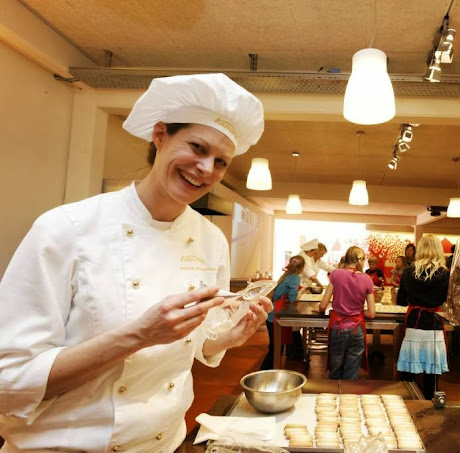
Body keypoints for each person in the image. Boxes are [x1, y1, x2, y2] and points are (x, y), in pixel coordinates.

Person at [0, 73, 273, 452]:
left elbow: (192, 345)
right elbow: (9, 380)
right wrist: (138, 335)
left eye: (221, 162)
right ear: (160, 135)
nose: (206, 169)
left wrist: (225, 338)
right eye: (197, 147)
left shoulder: (211, 240)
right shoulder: (66, 229)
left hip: (164, 443)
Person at [396, 235, 450, 400]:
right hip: (434, 325)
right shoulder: (444, 273)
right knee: (431, 375)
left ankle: (407, 404)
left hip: (414, 323)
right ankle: (429, 406)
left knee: (408, 373)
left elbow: (401, 300)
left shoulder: (409, 271)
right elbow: (447, 299)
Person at [319, 246, 376, 379]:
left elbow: (323, 305)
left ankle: (333, 398)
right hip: (356, 329)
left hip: (338, 328)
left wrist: (321, 309)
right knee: (351, 375)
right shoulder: (367, 279)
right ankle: (348, 397)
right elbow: (372, 313)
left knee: (335, 372)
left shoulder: (336, 274)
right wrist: (358, 313)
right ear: (360, 260)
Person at [260, 255, 305, 370]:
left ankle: (267, 372)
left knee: (275, 348)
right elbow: (292, 296)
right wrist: (298, 296)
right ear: (302, 268)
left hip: (272, 313)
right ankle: (264, 372)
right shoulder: (295, 278)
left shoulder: (286, 276)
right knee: (276, 349)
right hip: (276, 315)